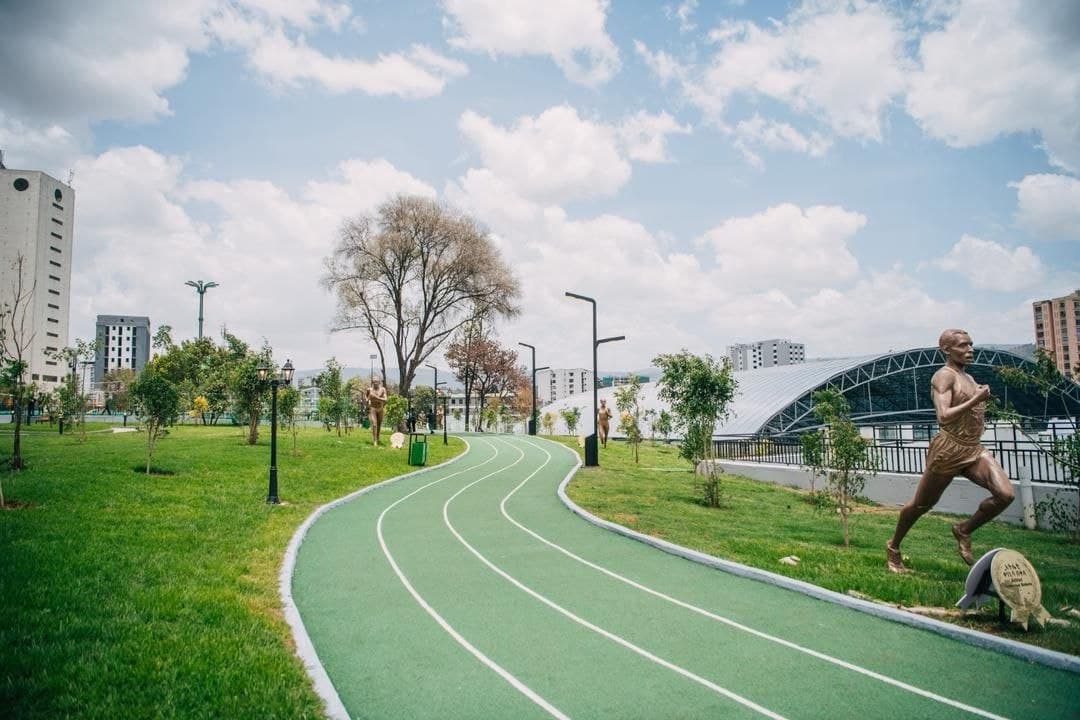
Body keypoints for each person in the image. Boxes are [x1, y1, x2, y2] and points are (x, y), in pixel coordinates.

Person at [886, 329, 1015, 573]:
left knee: (1005, 494)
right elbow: (943, 417)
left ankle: (963, 529)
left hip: (973, 449)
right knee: (921, 505)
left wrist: (978, 398)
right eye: (963, 346)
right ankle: (893, 547)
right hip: (949, 449)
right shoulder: (943, 376)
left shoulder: (968, 377)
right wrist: (976, 400)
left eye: (971, 345)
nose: (970, 350)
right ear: (947, 350)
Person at [366, 377, 388, 446]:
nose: (375, 383)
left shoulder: (382, 389)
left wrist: (376, 397)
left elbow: (385, 399)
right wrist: (368, 401)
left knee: (379, 425)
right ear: (372, 382)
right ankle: (375, 440)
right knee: (374, 424)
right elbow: (366, 397)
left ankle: (378, 438)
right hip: (373, 408)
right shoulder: (369, 389)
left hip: (380, 408)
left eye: (376, 381)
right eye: (374, 381)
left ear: (379, 382)